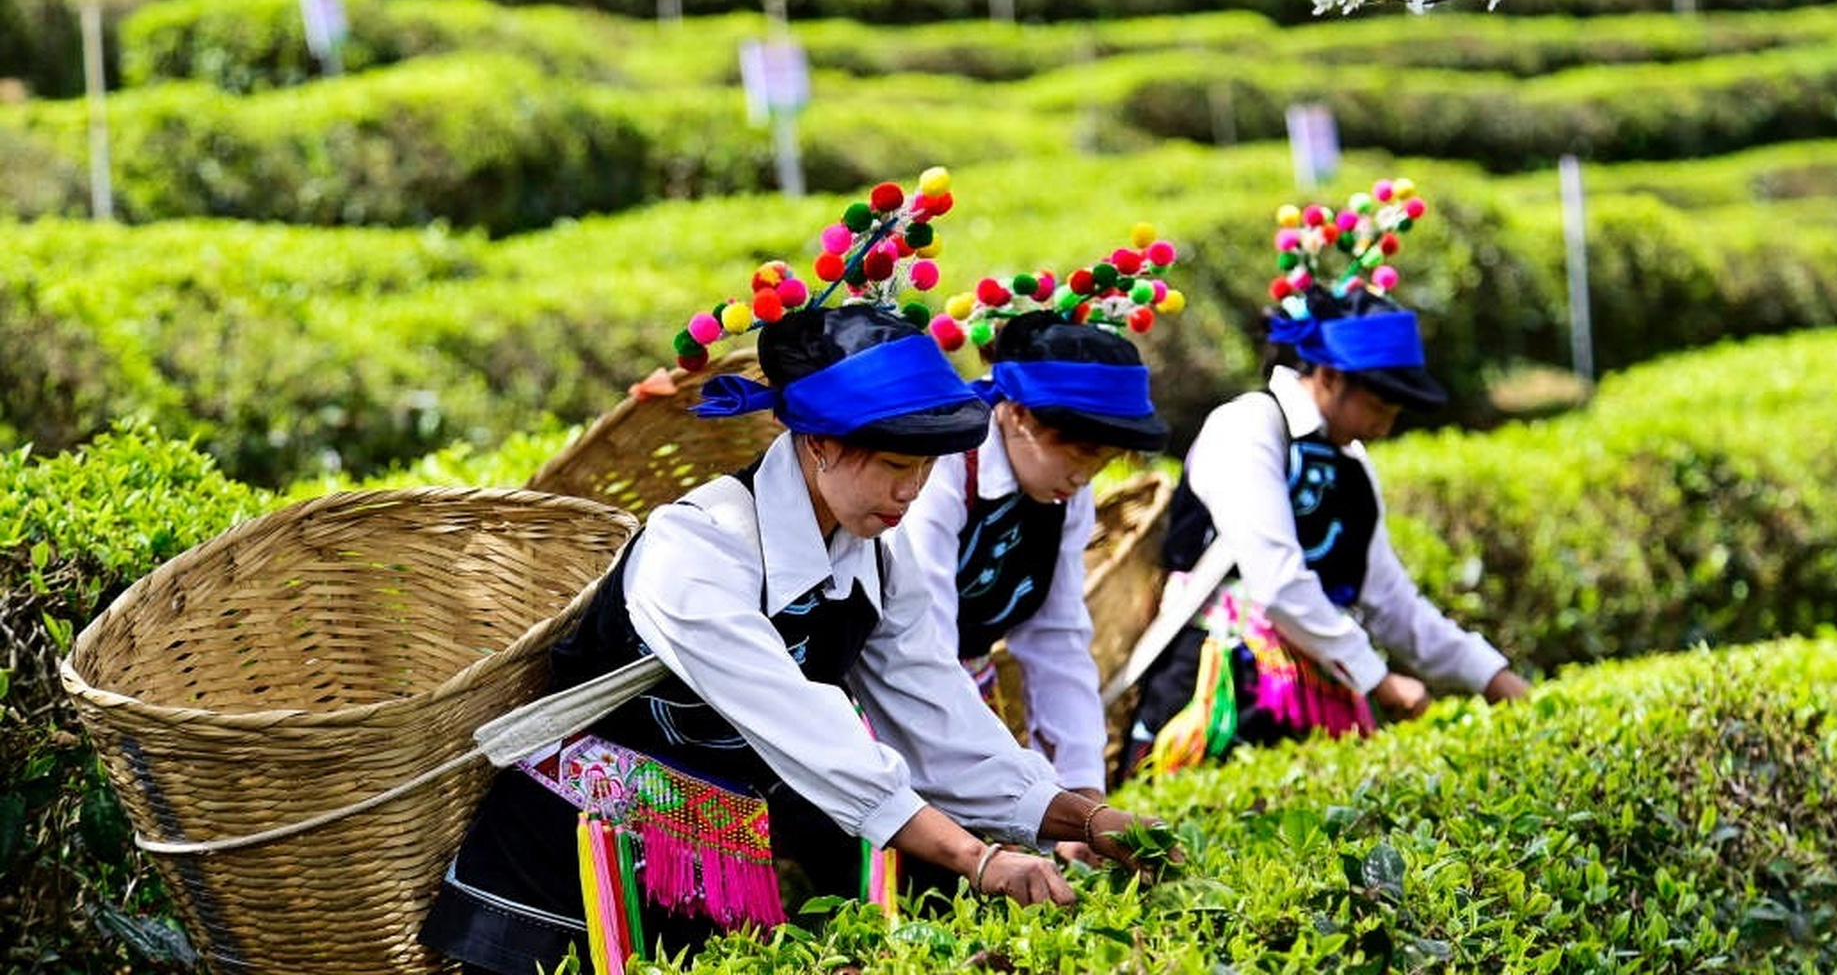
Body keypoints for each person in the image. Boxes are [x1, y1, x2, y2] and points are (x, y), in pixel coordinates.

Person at [422, 175, 1162, 975]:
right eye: (891, 466)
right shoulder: (696, 549)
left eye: (924, 470)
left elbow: (940, 718)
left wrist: (1081, 815)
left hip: (714, 872)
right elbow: (808, 731)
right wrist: (976, 859)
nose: (911, 493)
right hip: (569, 879)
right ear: (818, 445)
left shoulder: (873, 560)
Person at [1120, 179, 1529, 779]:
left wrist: (1490, 675)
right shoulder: (1249, 427)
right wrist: (1377, 678)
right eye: (1380, 409)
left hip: (1318, 703)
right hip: (1216, 693)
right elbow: (1278, 580)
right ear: (1331, 377)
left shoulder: (1351, 462)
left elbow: (1391, 603)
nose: (1384, 429)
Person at [900, 235, 1180, 817]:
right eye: (1076, 453)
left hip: (966, 697)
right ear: (1018, 413)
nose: (1083, 477)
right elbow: (919, 636)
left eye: (1099, 463)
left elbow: (1055, 639)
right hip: (891, 696)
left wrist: (1084, 792)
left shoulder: (1061, 493)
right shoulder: (944, 465)